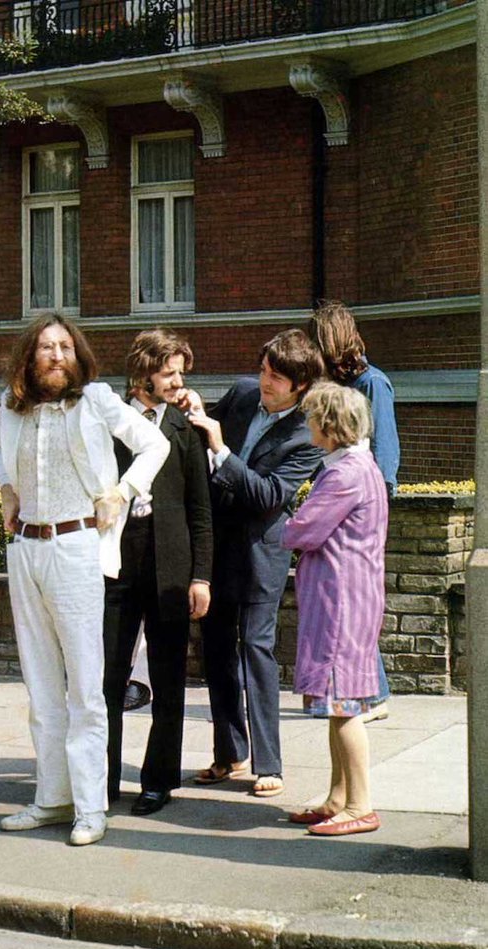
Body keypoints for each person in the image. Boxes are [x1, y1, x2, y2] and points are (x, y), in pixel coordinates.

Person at [0, 314, 169, 846]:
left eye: (64, 346)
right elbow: (0, 450)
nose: (55, 355)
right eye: (45, 347)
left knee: (86, 689)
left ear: (78, 355)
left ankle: (91, 809)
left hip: (77, 548)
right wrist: (6, 490)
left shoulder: (96, 400)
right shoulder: (11, 405)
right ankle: (52, 798)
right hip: (26, 548)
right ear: (30, 356)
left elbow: (153, 445)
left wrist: (124, 490)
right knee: (41, 683)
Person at [185, 330, 324, 799]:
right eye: (264, 369)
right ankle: (229, 753)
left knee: (257, 652)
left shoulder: (305, 435)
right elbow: (199, 428)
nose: (264, 381)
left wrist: (221, 449)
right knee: (218, 650)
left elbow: (267, 495)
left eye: (276, 377)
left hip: (260, 553)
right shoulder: (244, 393)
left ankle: (270, 763)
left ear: (300, 385)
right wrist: (192, 406)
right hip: (217, 547)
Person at [103, 328, 213, 816]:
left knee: (168, 681)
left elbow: (200, 509)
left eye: (180, 373)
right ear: (142, 374)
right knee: (105, 678)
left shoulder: (185, 428)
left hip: (170, 570)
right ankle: (101, 780)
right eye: (168, 372)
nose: (177, 381)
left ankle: (158, 780)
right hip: (114, 568)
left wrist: (201, 576)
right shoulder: (107, 421)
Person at [282, 381, 388, 835]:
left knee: (343, 704)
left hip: (341, 599)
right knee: (335, 703)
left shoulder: (345, 474)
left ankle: (359, 805)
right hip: (349, 595)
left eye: (311, 417)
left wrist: (289, 521)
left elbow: (302, 531)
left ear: (329, 424)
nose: (306, 424)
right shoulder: (360, 466)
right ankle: (338, 797)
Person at [310, 300, 400, 723]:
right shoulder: (344, 385)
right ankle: (368, 694)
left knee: (356, 606)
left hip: (362, 512)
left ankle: (371, 696)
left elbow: (383, 455)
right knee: (349, 608)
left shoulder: (373, 384)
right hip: (346, 505)